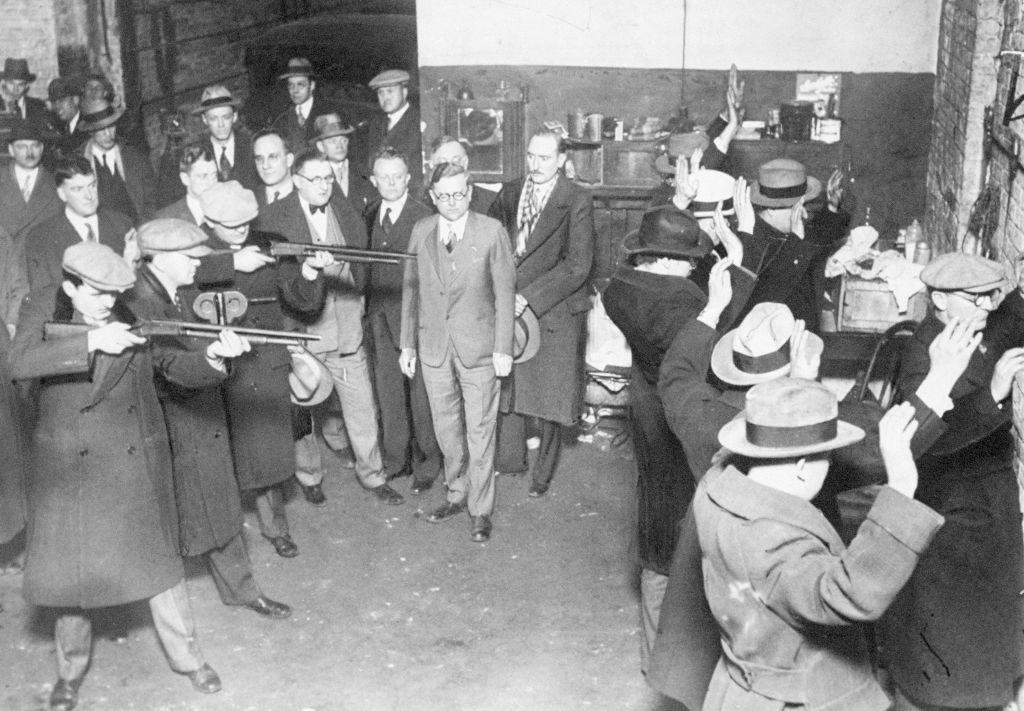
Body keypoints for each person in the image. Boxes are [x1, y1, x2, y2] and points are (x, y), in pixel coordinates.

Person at [11, 242, 249, 710]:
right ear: (68, 287)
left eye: (114, 293)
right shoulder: (42, 304)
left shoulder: (131, 308)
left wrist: (216, 359)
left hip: (133, 457)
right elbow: (19, 364)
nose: (107, 303)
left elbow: (171, 365)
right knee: (72, 581)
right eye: (96, 294)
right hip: (69, 468)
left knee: (160, 570)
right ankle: (69, 673)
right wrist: (89, 342)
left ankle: (189, 659)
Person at [693, 378, 944, 710]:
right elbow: (848, 593)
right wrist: (899, 489)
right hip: (796, 697)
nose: (832, 467)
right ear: (799, 467)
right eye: (828, 457)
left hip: (741, 680)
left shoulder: (715, 487)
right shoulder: (772, 542)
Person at [602, 200, 753, 672]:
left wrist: (729, 256)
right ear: (666, 261)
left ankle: (654, 660)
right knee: (691, 541)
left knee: (656, 532)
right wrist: (733, 278)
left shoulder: (619, 287)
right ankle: (687, 666)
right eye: (688, 258)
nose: (694, 265)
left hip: (646, 410)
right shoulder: (680, 302)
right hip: (679, 418)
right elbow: (718, 346)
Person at [124, 218, 292, 620]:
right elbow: (168, 364)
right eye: (191, 258)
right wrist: (212, 357)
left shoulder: (165, 286)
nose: (200, 264)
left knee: (215, 507)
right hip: (177, 424)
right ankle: (133, 607)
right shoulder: (144, 303)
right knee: (174, 517)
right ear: (161, 260)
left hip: (193, 417)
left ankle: (240, 590)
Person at [882, 252, 1024, 710]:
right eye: (978, 297)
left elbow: (1009, 318)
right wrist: (994, 394)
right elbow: (926, 443)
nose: (989, 306)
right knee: (948, 629)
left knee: (992, 622)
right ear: (940, 299)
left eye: (992, 295)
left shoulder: (971, 326)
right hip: (950, 509)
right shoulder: (921, 358)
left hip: (989, 501)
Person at [196, 180, 332, 556]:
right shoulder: (196, 248)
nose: (240, 229)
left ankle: (276, 530)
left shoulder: (271, 242)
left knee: (267, 455)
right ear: (209, 221)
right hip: (216, 366)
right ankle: (220, 533)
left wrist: (307, 274)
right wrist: (230, 262)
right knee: (221, 453)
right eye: (229, 223)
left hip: (265, 362)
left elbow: (300, 301)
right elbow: (178, 280)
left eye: (245, 221)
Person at [260, 150, 402, 506]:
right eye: (315, 179)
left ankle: (373, 475)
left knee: (362, 405)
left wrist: (360, 301)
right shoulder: (273, 220)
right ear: (296, 181)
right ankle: (309, 476)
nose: (324, 186)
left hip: (347, 329)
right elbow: (275, 284)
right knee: (302, 411)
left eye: (328, 178)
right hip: (304, 333)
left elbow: (362, 264)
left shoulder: (347, 211)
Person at [400, 162, 516, 542]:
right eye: (443, 196)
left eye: (459, 194)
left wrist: (502, 346)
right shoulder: (421, 231)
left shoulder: (491, 231)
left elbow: (504, 294)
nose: (452, 202)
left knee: (480, 430)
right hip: (433, 346)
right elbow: (410, 291)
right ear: (432, 197)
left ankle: (481, 510)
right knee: (446, 429)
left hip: (479, 349)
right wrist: (407, 343)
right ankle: (456, 492)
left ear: (470, 193)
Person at [487, 128, 595, 496]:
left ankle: (543, 474)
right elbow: (491, 239)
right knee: (510, 385)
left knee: (550, 396)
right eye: (531, 156)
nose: (535, 165)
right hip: (512, 300)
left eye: (544, 158)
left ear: (562, 160)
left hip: (555, 307)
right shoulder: (512, 190)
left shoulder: (577, 198)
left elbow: (578, 266)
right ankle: (511, 460)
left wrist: (528, 296)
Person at [364, 146, 441, 494]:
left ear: (409, 179)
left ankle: (428, 464)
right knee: (388, 394)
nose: (391, 182)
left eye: (398, 176)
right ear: (374, 180)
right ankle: (397, 460)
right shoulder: (368, 213)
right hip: (378, 317)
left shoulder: (425, 217)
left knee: (421, 397)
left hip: (414, 319)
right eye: (384, 176)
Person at [737, 158, 849, 333]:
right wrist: (796, 243)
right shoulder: (753, 243)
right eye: (796, 208)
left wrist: (832, 208)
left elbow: (816, 237)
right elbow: (768, 298)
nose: (804, 214)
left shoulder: (785, 229)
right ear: (772, 208)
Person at [24, 155, 137, 291]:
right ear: (61, 194)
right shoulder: (40, 237)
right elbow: (43, 298)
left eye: (92, 185)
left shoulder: (122, 225)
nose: (89, 196)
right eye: (78, 189)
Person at [78, 95, 157, 224]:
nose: (108, 134)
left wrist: (144, 227)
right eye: (101, 129)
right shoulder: (79, 163)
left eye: (111, 126)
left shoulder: (134, 157)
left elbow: (151, 199)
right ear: (91, 132)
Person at [0, 120, 61, 245]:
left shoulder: (57, 184)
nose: (30, 152)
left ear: (42, 148)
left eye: (35, 145)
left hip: (40, 260)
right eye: (22, 146)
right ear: (11, 150)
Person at [365, 70, 422, 192]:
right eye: (381, 93)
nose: (385, 98)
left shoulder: (418, 121)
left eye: (390, 91)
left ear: (404, 92)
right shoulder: (376, 124)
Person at [271, 58, 339, 157]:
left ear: (312, 85)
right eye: (291, 85)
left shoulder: (329, 114)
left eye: (300, 85)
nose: (295, 90)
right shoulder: (281, 120)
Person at [312, 112, 377, 212]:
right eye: (333, 141)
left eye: (343, 140)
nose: (340, 146)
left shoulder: (363, 172)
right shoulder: (313, 178)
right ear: (321, 146)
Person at [424, 135, 496, 214]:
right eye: (443, 163)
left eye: (456, 162)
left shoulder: (491, 202)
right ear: (431, 165)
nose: (450, 168)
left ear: (465, 163)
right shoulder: (421, 206)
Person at [154, 143, 219, 225]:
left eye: (214, 175)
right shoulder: (166, 219)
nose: (212, 183)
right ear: (185, 179)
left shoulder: (229, 207)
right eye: (203, 176)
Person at [252, 128, 296, 207]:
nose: (265, 165)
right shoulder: (249, 200)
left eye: (272, 157)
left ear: (289, 160)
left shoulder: (306, 195)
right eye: (259, 159)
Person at [0, 58, 50, 125]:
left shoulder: (38, 105)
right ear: (3, 83)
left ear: (27, 85)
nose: (15, 89)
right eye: (11, 83)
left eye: (21, 84)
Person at [47, 77, 87, 156]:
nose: (57, 106)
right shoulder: (61, 129)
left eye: (62, 100)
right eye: (54, 102)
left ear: (76, 100)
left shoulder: (87, 127)